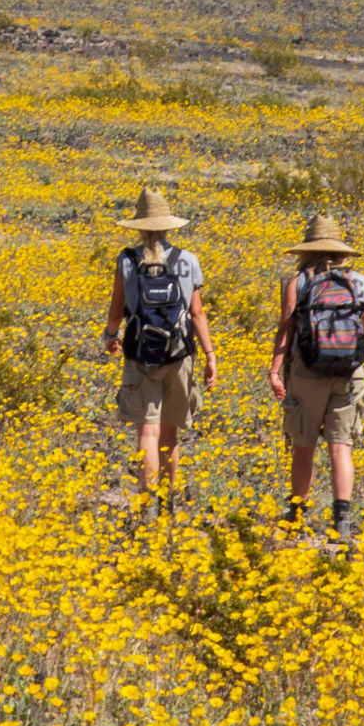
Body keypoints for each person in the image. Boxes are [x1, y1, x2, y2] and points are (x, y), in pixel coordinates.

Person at [100, 183, 214, 513]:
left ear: (138, 228)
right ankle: (166, 502)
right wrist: (209, 355)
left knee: (147, 433)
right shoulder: (188, 260)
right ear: (168, 227)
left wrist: (110, 336)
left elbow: (116, 308)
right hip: (179, 355)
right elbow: (197, 313)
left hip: (140, 353)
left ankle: (147, 505)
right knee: (169, 435)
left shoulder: (126, 260)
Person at [264, 211, 364, 535]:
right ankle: (342, 521)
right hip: (349, 372)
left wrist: (275, 370)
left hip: (307, 371)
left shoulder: (298, 281)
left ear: (307, 249)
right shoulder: (360, 281)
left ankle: (296, 514)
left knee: (304, 444)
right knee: (341, 446)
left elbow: (286, 330)